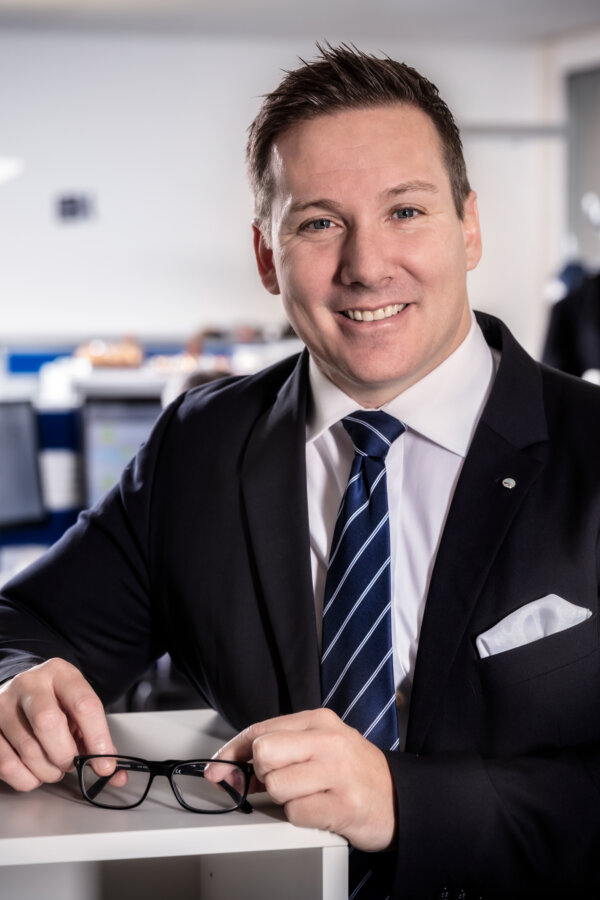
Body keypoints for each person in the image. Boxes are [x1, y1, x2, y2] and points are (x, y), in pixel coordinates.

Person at [1, 43, 599, 900]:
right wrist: (14, 685)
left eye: (406, 211)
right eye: (318, 222)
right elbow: (21, 625)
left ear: (469, 227)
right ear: (265, 254)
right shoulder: (201, 448)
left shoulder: (589, 448)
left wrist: (406, 802)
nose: (366, 266)